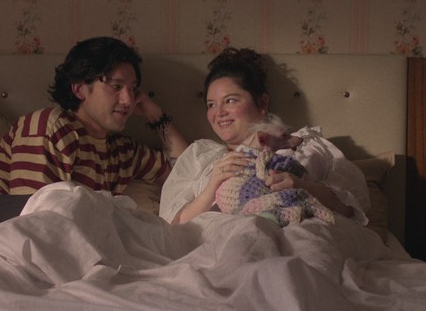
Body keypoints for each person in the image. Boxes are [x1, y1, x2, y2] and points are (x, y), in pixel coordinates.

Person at [158, 47, 369, 226]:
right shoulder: (199, 155)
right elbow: (171, 227)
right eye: (211, 104)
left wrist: (302, 186)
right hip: (221, 240)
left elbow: (353, 211)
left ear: (262, 103)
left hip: (298, 234)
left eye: (230, 100)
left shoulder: (307, 146)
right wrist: (211, 187)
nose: (219, 112)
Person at [0, 36, 189, 197]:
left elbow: (188, 176)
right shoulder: (48, 127)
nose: (128, 99)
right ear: (79, 89)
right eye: (116, 86)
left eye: (132, 89)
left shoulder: (122, 152)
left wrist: (156, 116)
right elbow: (31, 221)